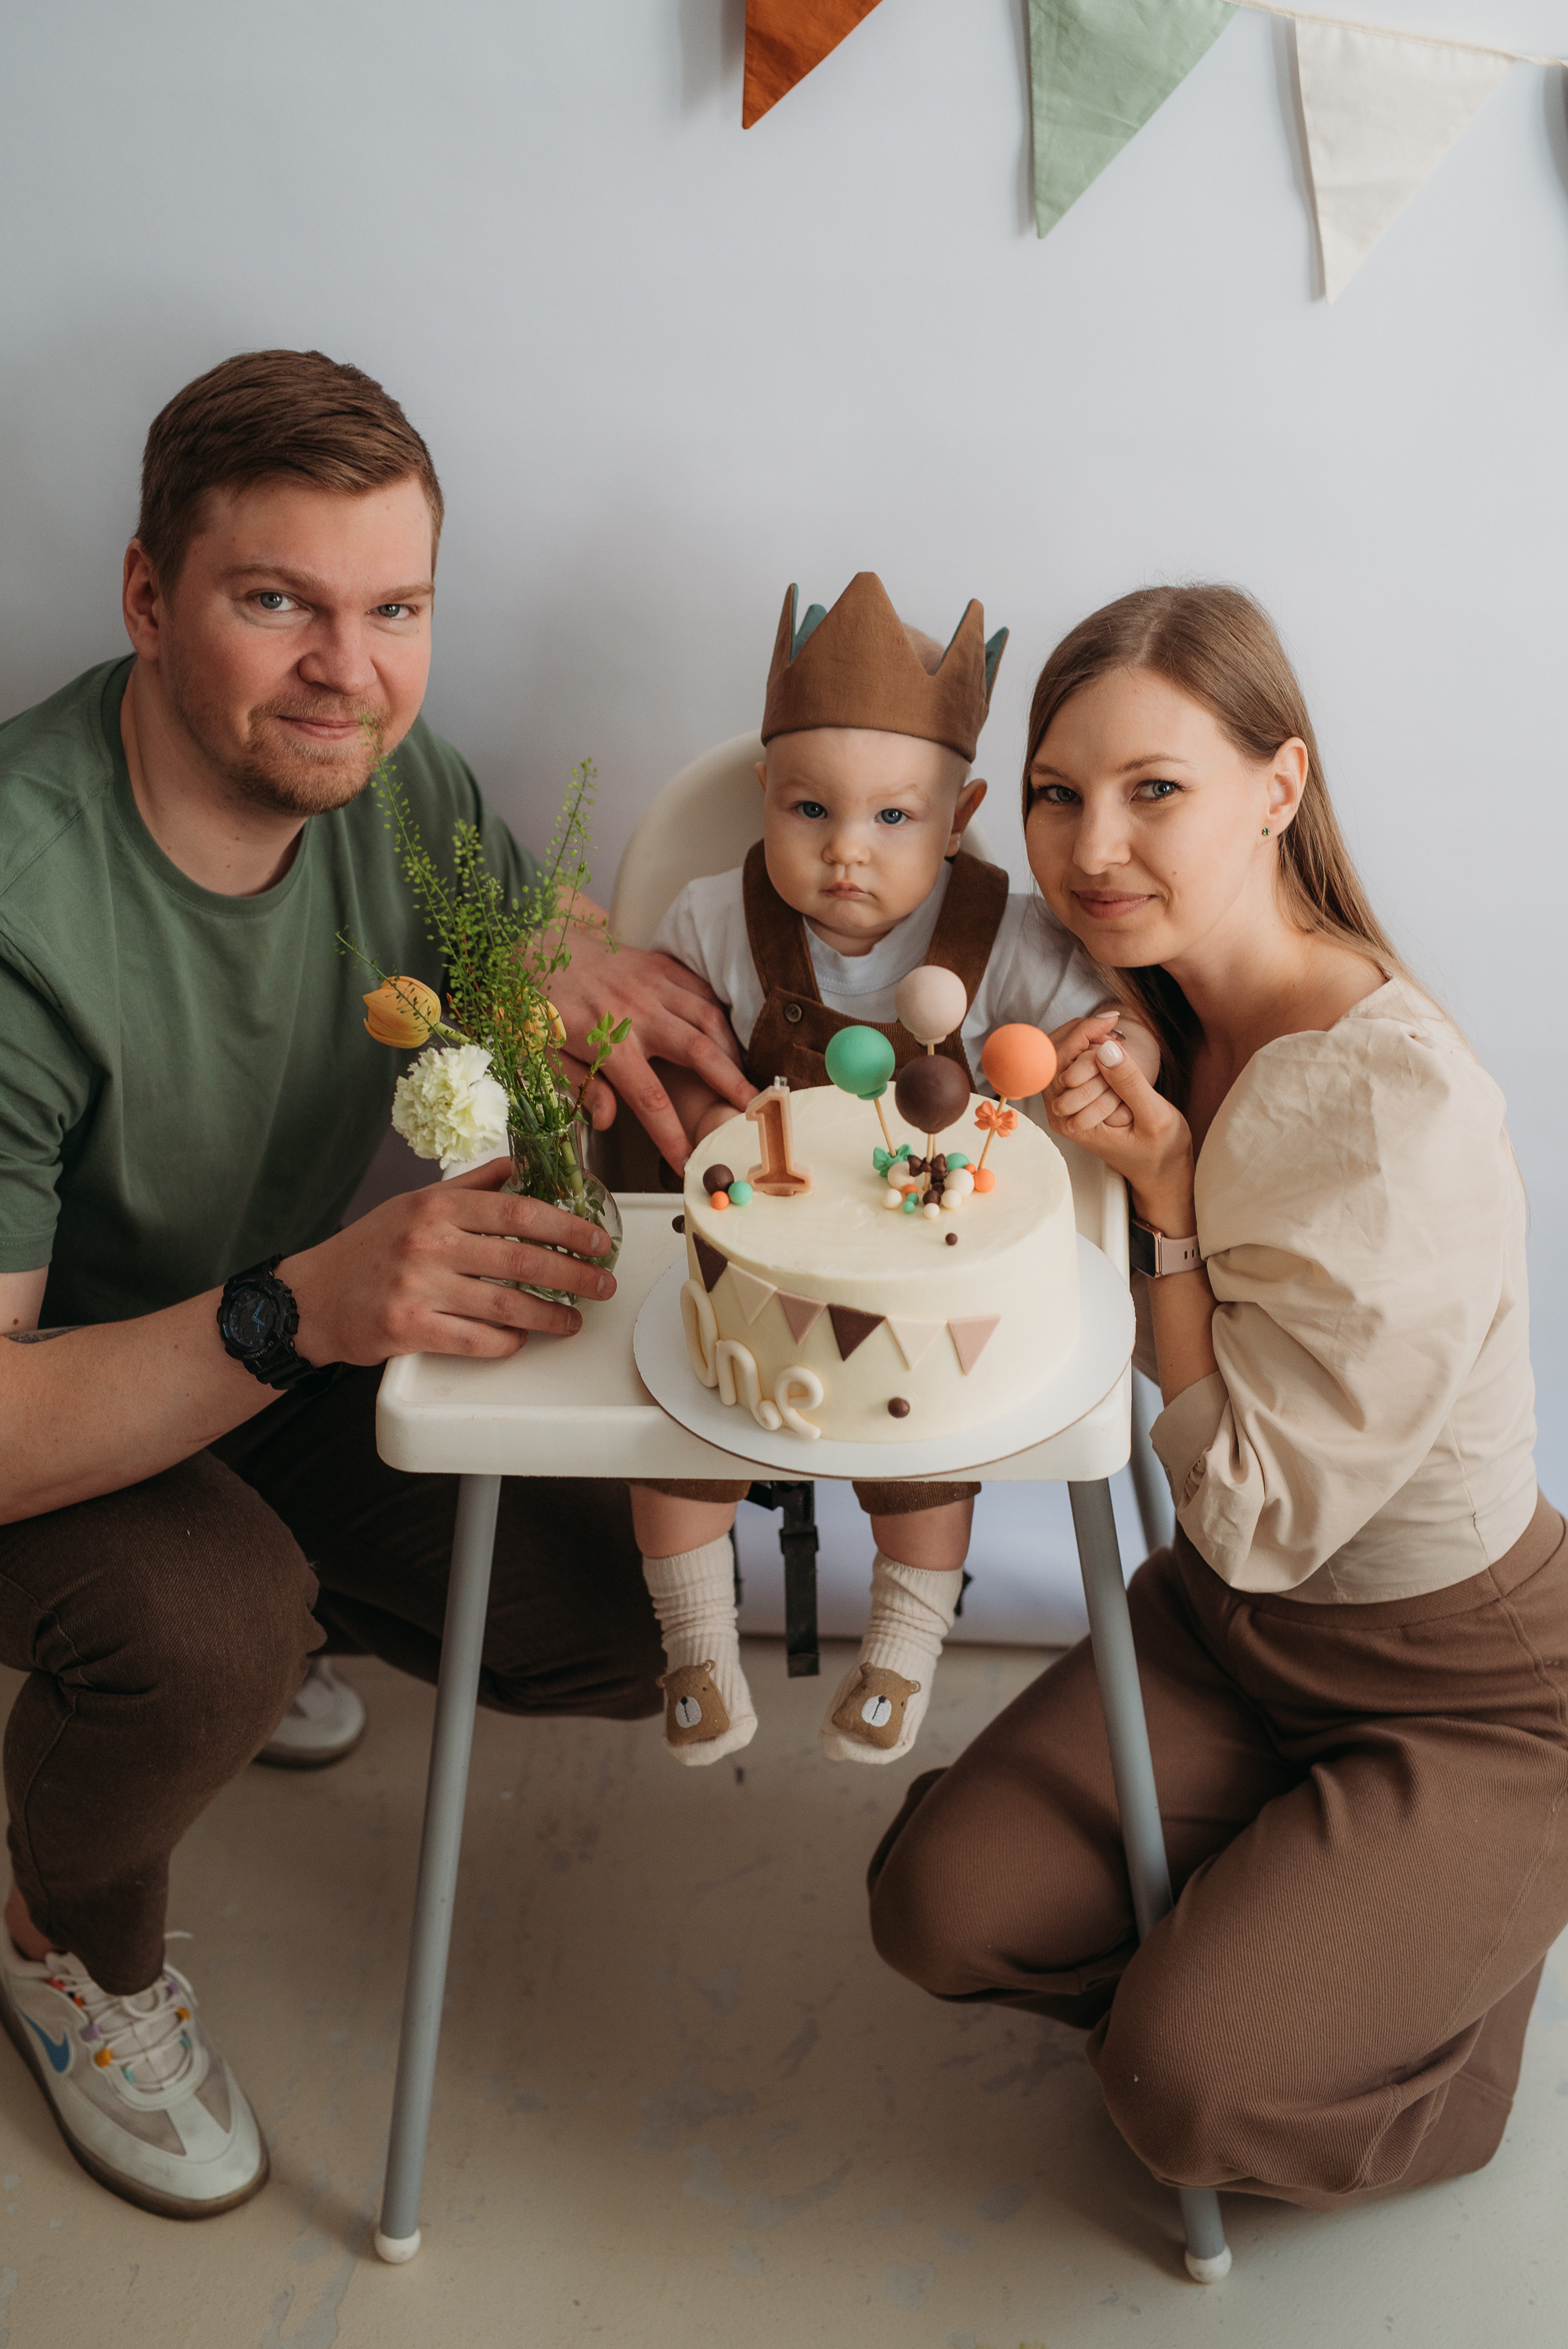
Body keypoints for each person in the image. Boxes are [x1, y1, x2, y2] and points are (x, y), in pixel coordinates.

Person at [0, 348, 755, 2219]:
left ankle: (268, 1633)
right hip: (50, 1414)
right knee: (207, 1626)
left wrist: (568, 973)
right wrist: (305, 1313)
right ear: (148, 599)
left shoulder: (392, 784)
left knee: (616, 1616)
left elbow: (524, 945)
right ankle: (61, 1940)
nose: (353, 669)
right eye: (280, 604)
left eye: (395, 607)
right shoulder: (22, 906)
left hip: (251, 1348)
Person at [867, 584, 1563, 2212]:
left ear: (1280, 784)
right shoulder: (1161, 1014)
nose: (1091, 844)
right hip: (1228, 1635)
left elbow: (1250, 1516)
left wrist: (1171, 1210)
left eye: (1153, 790)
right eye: (1058, 791)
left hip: (1458, 1686)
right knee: (934, 1909)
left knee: (1178, 2090)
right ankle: (1285, 1922)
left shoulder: (1389, 1107)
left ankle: (1445, 2003)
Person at [628, 573, 1157, 1770]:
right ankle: (699, 1644)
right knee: (682, 1426)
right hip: (763, 1255)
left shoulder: (1003, 932)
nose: (846, 854)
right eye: (811, 810)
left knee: (922, 1445)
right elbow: (669, 1045)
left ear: (960, 811)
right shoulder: (718, 918)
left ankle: (907, 1645)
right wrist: (720, 1107)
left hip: (935, 1263)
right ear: (764, 792)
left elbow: (1108, 1030)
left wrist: (1101, 1062)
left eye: (893, 820)